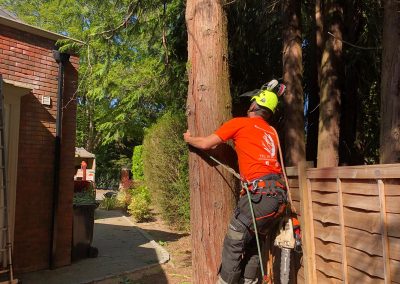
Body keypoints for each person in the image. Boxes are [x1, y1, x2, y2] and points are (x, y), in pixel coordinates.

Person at [183, 80, 288, 284]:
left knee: (234, 241)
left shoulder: (240, 123)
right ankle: (249, 281)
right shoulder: (272, 133)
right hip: (278, 197)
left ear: (255, 105)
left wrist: (189, 138)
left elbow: (205, 143)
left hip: (259, 197)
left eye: (251, 103)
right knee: (253, 243)